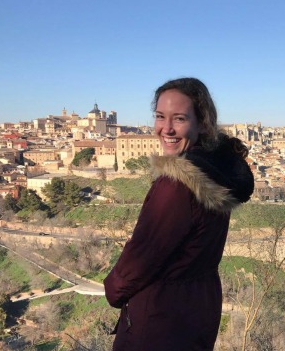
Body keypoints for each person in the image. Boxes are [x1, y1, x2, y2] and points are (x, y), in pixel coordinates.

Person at [104, 78, 254, 350]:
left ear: (201, 123)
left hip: (159, 320)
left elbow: (141, 257)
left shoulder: (176, 184)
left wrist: (112, 290)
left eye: (180, 118)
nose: (167, 129)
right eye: (160, 117)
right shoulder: (215, 172)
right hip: (198, 309)